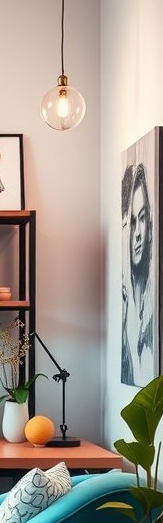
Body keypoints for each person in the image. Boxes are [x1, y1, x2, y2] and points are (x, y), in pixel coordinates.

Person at [121, 162, 154, 385]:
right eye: (133, 221)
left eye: (142, 218)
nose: (138, 234)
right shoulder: (126, 306)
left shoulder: (152, 308)